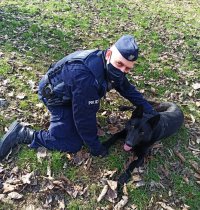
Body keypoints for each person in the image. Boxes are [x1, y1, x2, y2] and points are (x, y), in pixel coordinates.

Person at [0, 35, 157, 160]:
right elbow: (84, 118)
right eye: (119, 64)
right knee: (72, 143)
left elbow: (127, 89)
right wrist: (96, 147)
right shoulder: (86, 77)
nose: (122, 70)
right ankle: (23, 134)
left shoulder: (108, 66)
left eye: (127, 68)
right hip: (57, 99)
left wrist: (151, 111)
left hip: (71, 93)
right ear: (109, 54)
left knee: (80, 126)